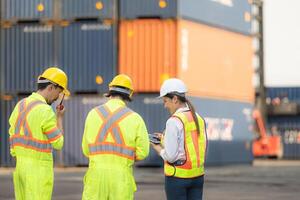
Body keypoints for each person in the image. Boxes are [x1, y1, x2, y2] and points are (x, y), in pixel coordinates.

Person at [81, 74, 150, 200]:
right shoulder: (135, 119)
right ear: (129, 94)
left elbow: (86, 150)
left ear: (110, 91)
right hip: (121, 180)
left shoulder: (93, 114)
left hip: (96, 178)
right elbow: (143, 152)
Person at [8, 67, 69, 200]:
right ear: (51, 87)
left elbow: (12, 135)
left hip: (20, 170)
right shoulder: (45, 111)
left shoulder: (20, 105)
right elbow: (58, 143)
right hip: (38, 174)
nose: (58, 98)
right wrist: (59, 118)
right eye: (59, 92)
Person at [151, 78, 208, 200]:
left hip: (178, 179)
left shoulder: (174, 121)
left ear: (175, 99)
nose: (165, 105)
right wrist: (164, 139)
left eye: (165, 101)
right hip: (197, 177)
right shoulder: (198, 118)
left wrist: (158, 148)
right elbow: (191, 143)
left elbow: (171, 156)